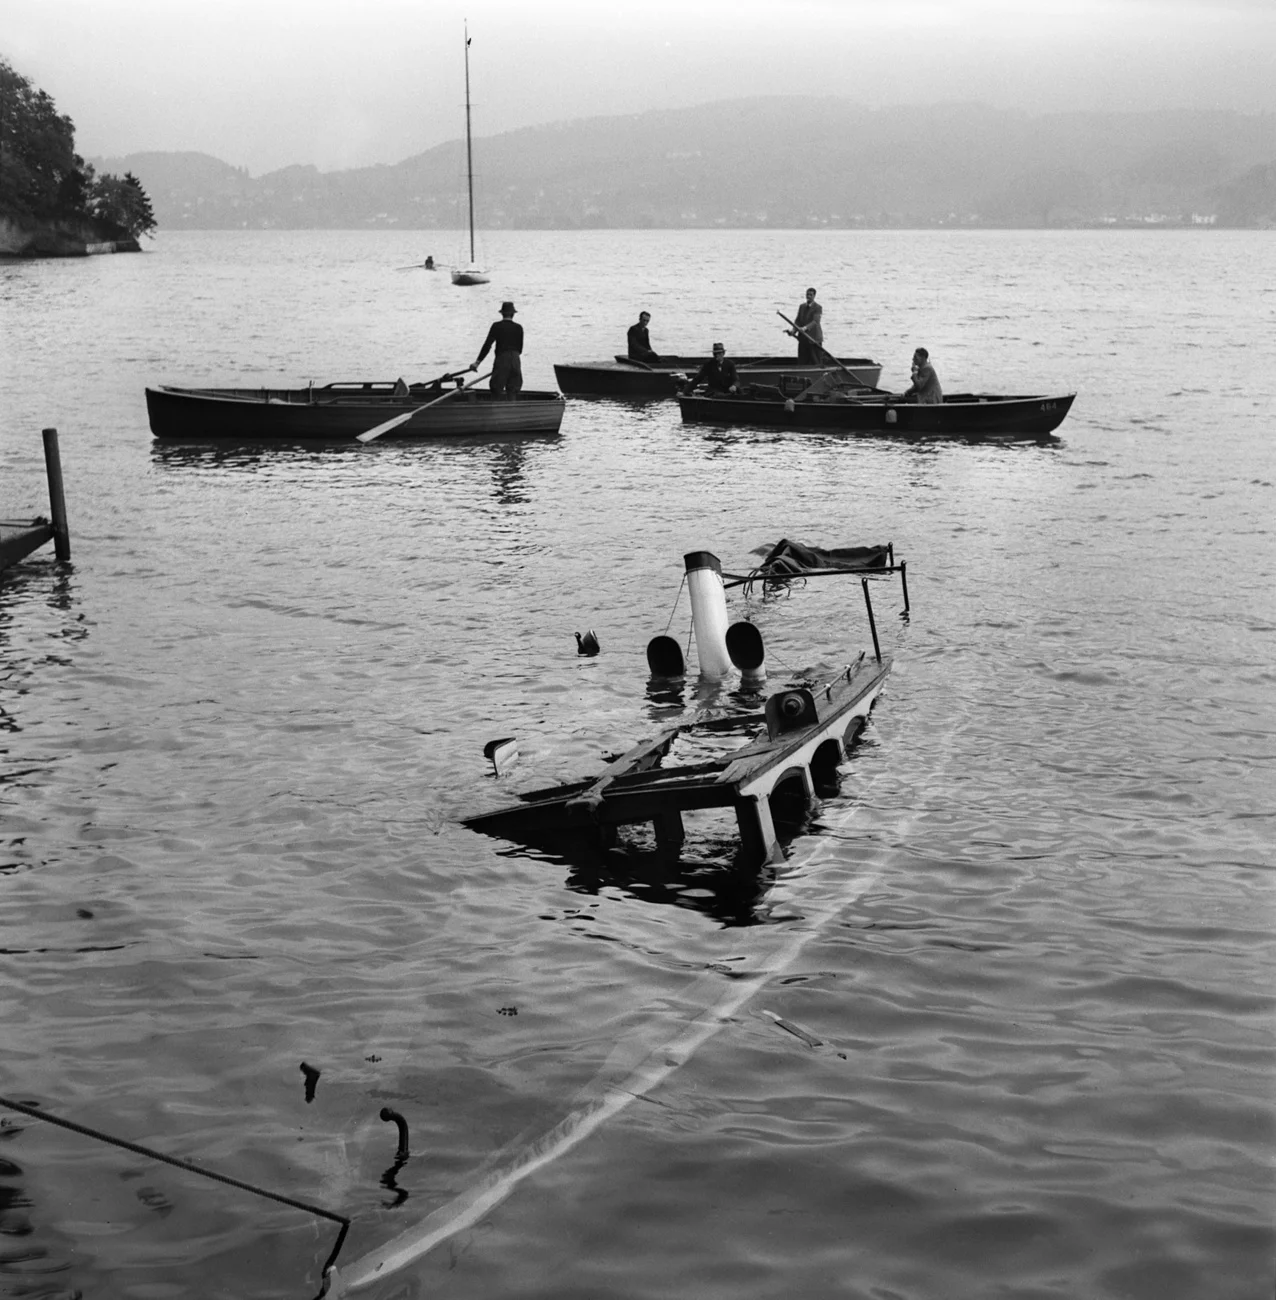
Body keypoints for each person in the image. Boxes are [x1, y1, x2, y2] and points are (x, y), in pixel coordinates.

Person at [475, 301, 524, 399]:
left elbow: (487, 345)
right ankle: (512, 409)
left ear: (502, 313)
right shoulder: (519, 328)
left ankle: (495, 411)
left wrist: (477, 362)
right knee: (513, 389)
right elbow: (520, 349)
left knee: (496, 388)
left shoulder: (496, 326)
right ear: (513, 314)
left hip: (502, 359)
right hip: (516, 360)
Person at [787, 287, 824, 363]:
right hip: (803, 338)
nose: (808, 296)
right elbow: (798, 321)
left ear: (814, 296)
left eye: (810, 295)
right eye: (807, 294)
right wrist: (793, 331)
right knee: (802, 359)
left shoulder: (818, 307)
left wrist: (804, 328)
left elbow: (815, 321)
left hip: (814, 338)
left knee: (815, 360)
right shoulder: (802, 306)